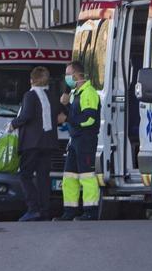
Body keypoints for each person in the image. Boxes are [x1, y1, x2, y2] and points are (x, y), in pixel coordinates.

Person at [6, 66, 60, 221]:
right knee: (44, 177)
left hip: (32, 143)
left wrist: (13, 125)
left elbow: (26, 115)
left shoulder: (30, 95)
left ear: (31, 80)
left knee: (25, 175)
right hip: (49, 142)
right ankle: (44, 210)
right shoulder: (52, 95)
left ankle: (33, 208)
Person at [55, 61, 101, 221]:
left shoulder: (89, 93)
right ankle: (70, 211)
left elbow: (88, 118)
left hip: (86, 140)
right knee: (69, 177)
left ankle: (91, 211)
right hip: (75, 139)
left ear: (76, 75)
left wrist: (66, 117)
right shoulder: (77, 93)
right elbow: (77, 117)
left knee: (87, 176)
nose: (67, 78)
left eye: (68, 74)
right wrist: (66, 106)